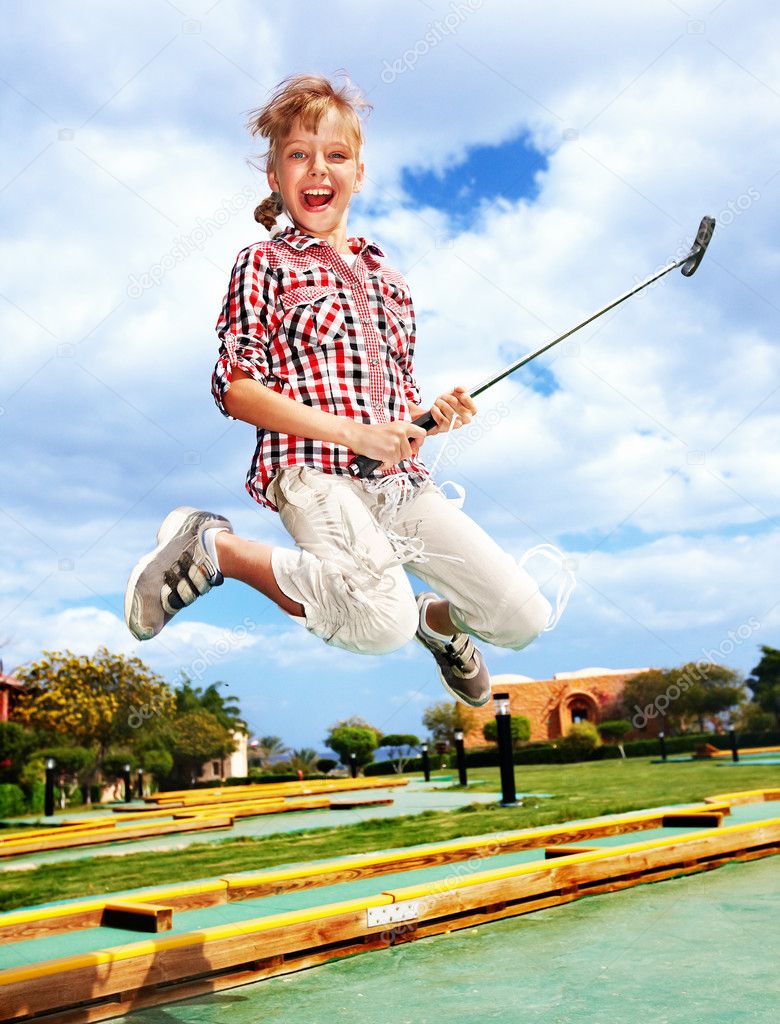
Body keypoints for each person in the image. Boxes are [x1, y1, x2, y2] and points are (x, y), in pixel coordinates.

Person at [124, 73, 557, 708]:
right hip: (311, 473)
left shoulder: (390, 277)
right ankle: (217, 550)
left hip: (398, 484)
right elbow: (236, 389)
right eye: (298, 154)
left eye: (335, 155)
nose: (316, 169)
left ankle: (438, 624)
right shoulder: (262, 264)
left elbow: (391, 409)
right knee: (381, 625)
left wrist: (431, 416)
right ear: (275, 176)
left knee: (522, 618)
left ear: (360, 171)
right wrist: (354, 434)